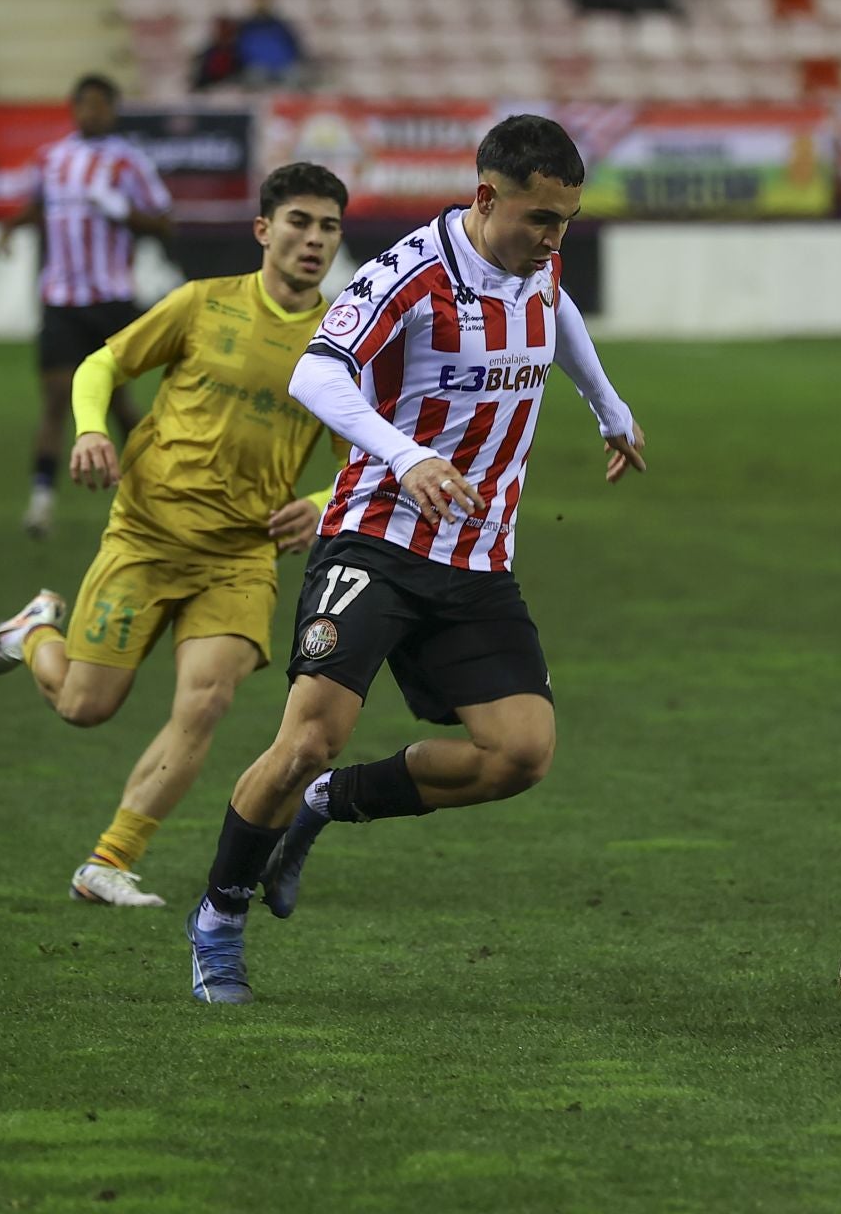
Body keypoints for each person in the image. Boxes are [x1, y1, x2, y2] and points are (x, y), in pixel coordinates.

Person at [182, 115, 647, 1003]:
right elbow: (316, 374)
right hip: (378, 538)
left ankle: (327, 806)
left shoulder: (534, 262)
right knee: (307, 737)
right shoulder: (409, 273)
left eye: (566, 222)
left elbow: (558, 314)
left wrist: (608, 407)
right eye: (541, 219)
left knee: (520, 754)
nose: (555, 240)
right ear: (485, 198)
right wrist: (408, 455)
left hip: (476, 559)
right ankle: (218, 920)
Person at [0, 162, 352, 910]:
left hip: (241, 555)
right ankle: (33, 635)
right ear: (264, 231)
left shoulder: (344, 339)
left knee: (206, 703)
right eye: (300, 223)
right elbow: (101, 364)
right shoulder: (200, 304)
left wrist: (317, 501)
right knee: (86, 706)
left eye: (329, 228)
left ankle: (108, 861)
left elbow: (363, 464)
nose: (314, 240)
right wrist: (91, 430)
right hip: (147, 536)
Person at [0, 74, 173, 540]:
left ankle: (160, 489)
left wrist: (122, 211)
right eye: (84, 104)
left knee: (118, 403)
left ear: (113, 110)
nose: (91, 112)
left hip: (112, 298)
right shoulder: (53, 158)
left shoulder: (129, 163)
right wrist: (12, 225)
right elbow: (41, 205)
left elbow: (164, 223)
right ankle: (41, 503)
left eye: (100, 104)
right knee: (55, 397)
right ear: (74, 109)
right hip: (61, 299)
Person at [234, 0, 306, 87]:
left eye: (264, 3)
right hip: (258, 69)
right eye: (258, 3)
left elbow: (294, 47)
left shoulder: (280, 25)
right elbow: (242, 52)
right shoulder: (247, 27)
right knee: (255, 76)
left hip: (283, 67)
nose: (262, 6)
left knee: (294, 75)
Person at [191, 17, 244, 91]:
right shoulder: (208, 53)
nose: (224, 32)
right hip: (208, 90)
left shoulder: (238, 53)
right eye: (222, 29)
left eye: (227, 30)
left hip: (231, 89)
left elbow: (239, 75)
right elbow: (199, 79)